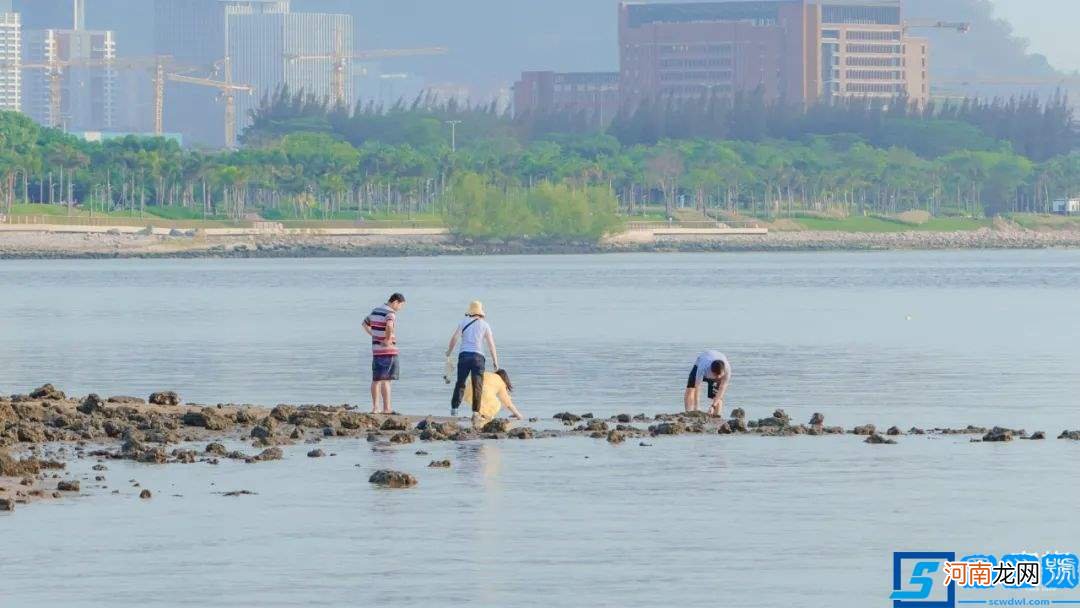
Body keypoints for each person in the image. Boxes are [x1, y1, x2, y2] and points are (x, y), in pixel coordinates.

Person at [446, 300, 499, 418]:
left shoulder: (463, 322)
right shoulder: (485, 325)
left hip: (464, 356)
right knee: (477, 384)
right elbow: (491, 344)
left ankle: (454, 409)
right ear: (480, 312)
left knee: (460, 382)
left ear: (470, 311)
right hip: (478, 357)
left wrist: (449, 352)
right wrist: (495, 361)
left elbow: (454, 338)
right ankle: (475, 412)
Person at [362, 293, 406, 414]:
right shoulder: (390, 313)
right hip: (388, 350)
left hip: (376, 350)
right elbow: (389, 326)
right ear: (396, 302)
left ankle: (376, 408)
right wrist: (387, 340)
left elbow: (364, 324)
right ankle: (387, 408)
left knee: (376, 379)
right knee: (386, 381)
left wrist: (373, 335)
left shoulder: (375, 311)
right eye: (401, 305)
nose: (400, 308)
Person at [684, 350, 731, 416]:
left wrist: (713, 406)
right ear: (711, 371)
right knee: (690, 389)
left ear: (723, 372)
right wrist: (697, 407)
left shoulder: (727, 370)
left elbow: (722, 390)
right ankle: (688, 412)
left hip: (717, 362)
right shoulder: (703, 367)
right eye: (715, 376)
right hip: (701, 361)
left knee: (715, 395)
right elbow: (697, 386)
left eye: (719, 376)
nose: (717, 378)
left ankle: (716, 416)